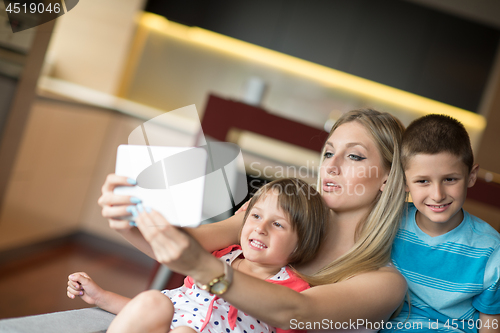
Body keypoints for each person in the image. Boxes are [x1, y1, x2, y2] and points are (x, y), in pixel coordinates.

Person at [97, 109, 408, 332]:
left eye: (354, 156)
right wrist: (131, 221)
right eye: (328, 154)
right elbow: (186, 246)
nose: (332, 167)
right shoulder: (275, 214)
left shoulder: (384, 283)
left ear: (387, 178)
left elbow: (295, 312)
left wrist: (202, 267)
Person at [68, 178, 329, 333]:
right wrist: (101, 298)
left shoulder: (293, 289)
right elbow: (167, 312)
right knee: (153, 302)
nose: (260, 228)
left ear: (300, 244)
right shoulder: (217, 259)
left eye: (278, 224)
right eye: (256, 216)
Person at [382, 114, 500, 333]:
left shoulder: (492, 250)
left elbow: (491, 323)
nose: (437, 195)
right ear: (404, 181)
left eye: (450, 179)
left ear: (471, 176)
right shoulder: (388, 224)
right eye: (423, 181)